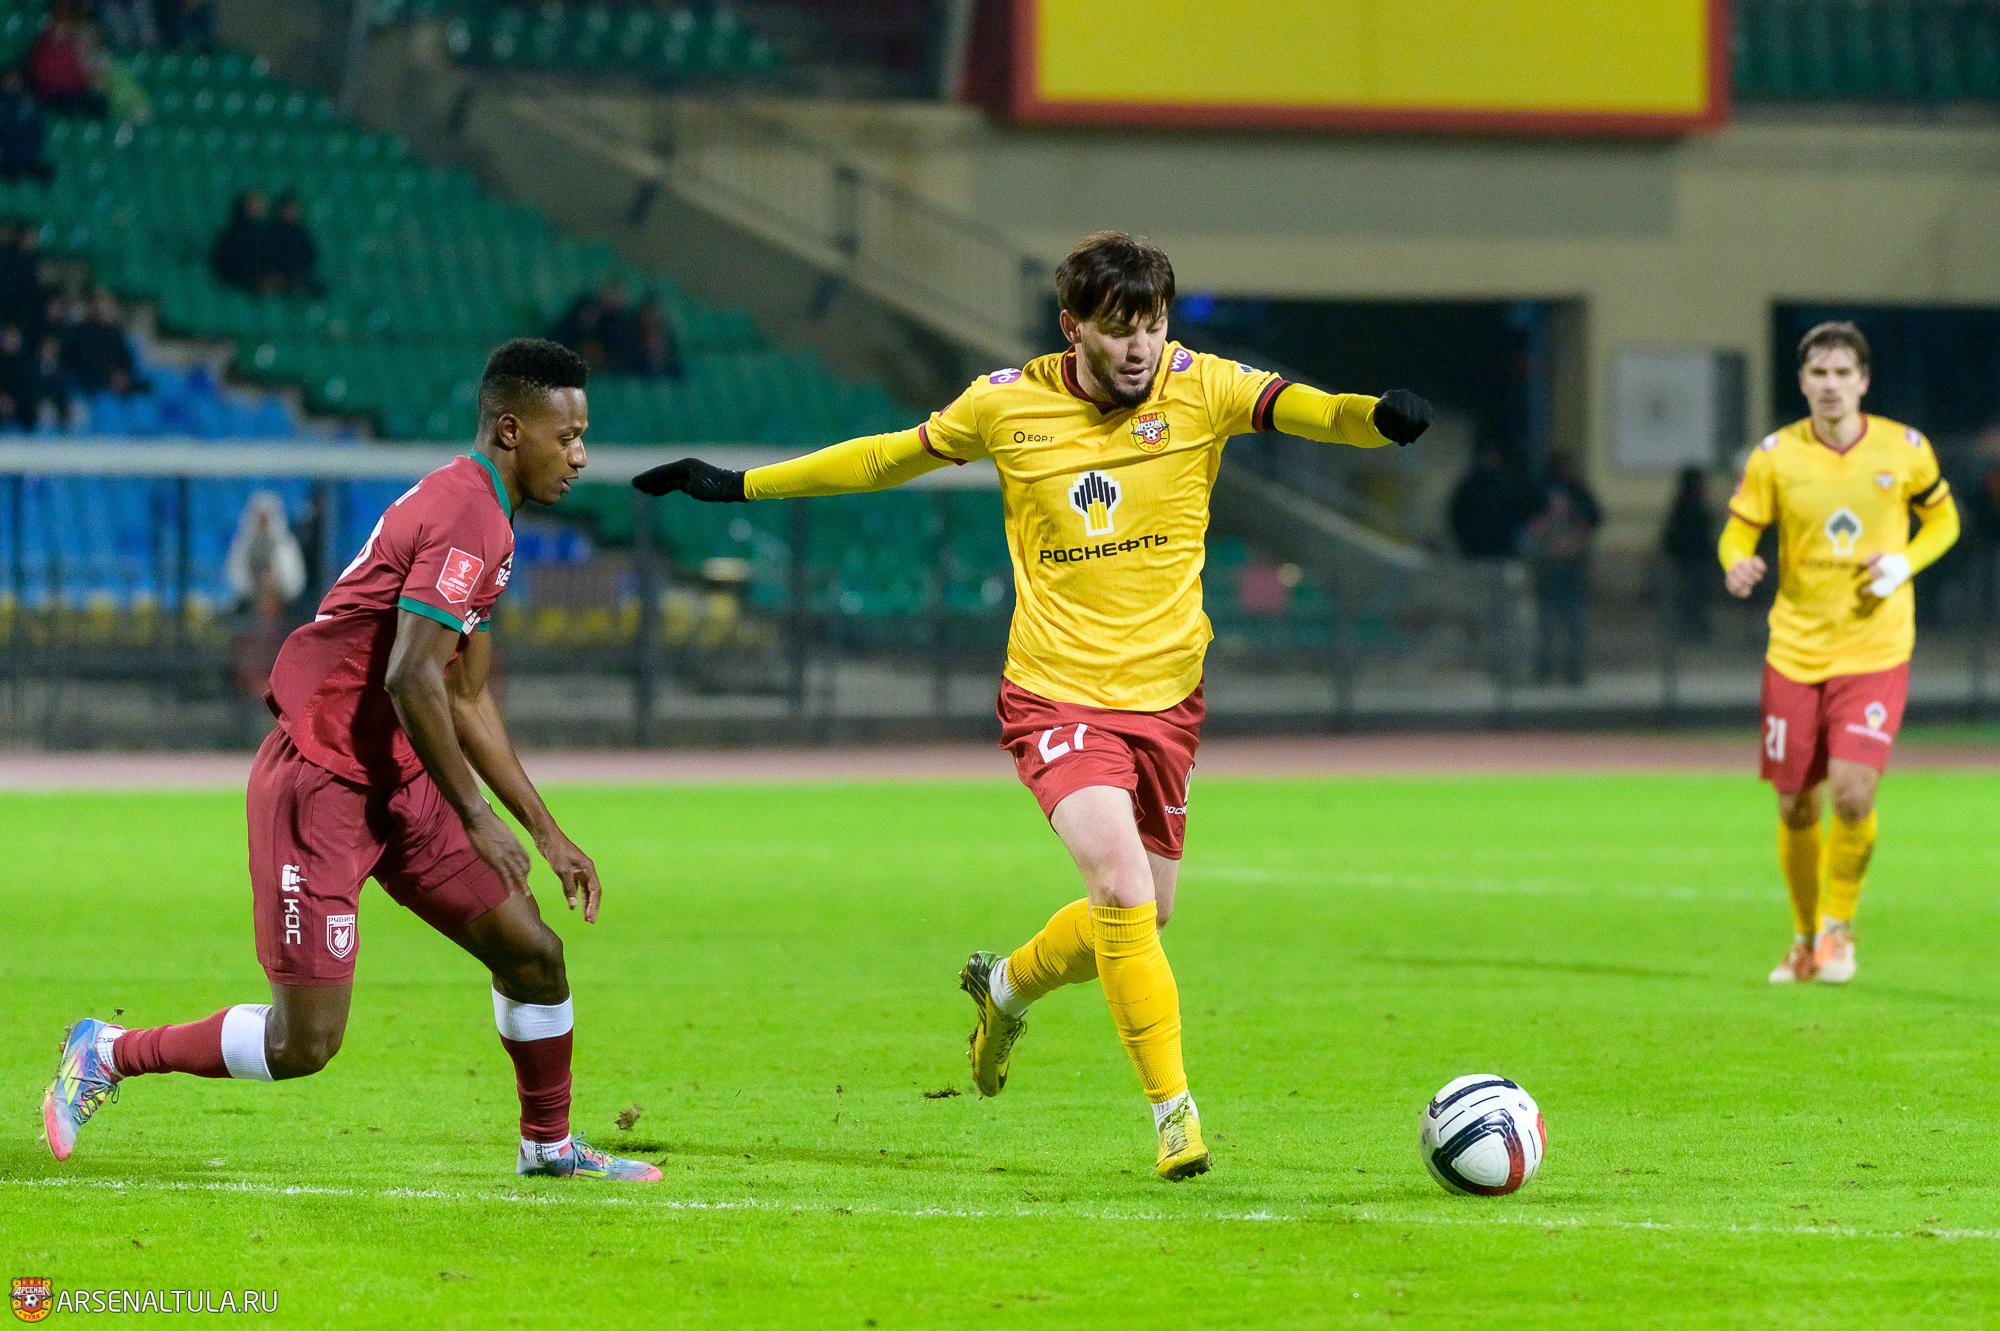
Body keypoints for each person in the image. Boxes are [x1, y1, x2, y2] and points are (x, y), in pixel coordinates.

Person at [632, 231, 1432, 1180]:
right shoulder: (1005, 404)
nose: (1140, 348)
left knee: (1144, 915)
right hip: (1056, 693)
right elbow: (885, 459)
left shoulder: (1202, 386)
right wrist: (739, 485)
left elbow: (1313, 411)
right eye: (1118, 329)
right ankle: (1174, 1116)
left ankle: (1006, 984)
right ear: (1071, 327)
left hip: (1168, 699)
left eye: (1153, 325)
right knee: (1122, 890)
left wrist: (1377, 418)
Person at [43, 339, 660, 1183]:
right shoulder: (469, 516)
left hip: (401, 778)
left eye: (583, 437)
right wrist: (479, 816)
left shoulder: (488, 515)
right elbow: (411, 676)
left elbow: (466, 695)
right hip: (322, 782)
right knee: (304, 1043)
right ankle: (110, 1051)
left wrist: (547, 833)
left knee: (533, 955)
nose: (581, 456)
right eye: (569, 436)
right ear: (512, 430)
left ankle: (547, 1145)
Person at [1719, 321, 1960, 986]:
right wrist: (1736, 563)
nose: (1830, 385)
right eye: (1818, 373)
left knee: (1853, 795)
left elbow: (1944, 520)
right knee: (1796, 804)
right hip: (1795, 650)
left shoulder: (1905, 449)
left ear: (1863, 381)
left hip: (1875, 647)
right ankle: (1802, 939)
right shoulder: (1775, 456)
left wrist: (1904, 562)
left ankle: (1838, 928)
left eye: (1842, 373)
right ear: (1802, 382)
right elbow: (1739, 531)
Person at [1523, 487, 1591, 686]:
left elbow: (1587, 551)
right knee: (1545, 635)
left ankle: (1574, 674)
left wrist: (1574, 548)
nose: (1559, 507)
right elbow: (1530, 552)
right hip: (1548, 588)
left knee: (1576, 633)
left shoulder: (1577, 526)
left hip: (1572, 587)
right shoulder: (1540, 527)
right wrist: (1552, 551)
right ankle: (1543, 675)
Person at [1660, 464, 1718, 640]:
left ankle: (1690, 628)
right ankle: (1692, 629)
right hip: (1693, 557)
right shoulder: (1692, 506)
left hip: (1688, 557)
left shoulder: (1682, 504)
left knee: (1691, 594)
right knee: (1694, 594)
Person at [26, 14, 108, 119]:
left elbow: (84, 78)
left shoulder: (73, 50)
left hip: (71, 95)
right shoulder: (45, 48)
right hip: (48, 95)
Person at [209, 189, 272, 294]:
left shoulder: (265, 231)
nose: (259, 208)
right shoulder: (234, 232)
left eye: (260, 204)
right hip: (240, 278)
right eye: (254, 204)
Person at [0, 69, 55, 184]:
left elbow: (39, 131)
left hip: (28, 157)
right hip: (6, 158)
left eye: (15, 80)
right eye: (8, 80)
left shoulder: (30, 105)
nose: (11, 83)